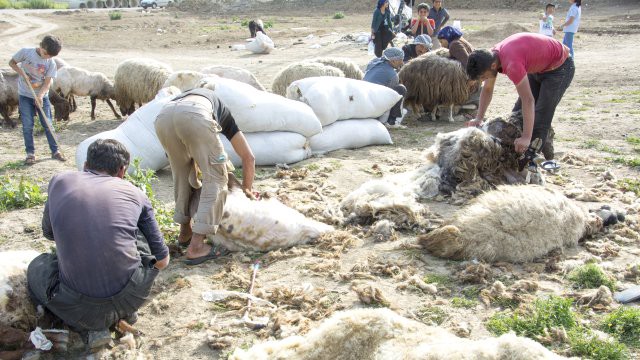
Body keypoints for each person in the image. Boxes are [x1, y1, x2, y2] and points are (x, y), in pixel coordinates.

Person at [27, 139, 170, 350]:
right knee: (135, 232)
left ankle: (90, 328)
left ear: (85, 166)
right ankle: (122, 313)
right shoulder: (136, 193)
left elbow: (49, 234)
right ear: (122, 171)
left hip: (78, 308)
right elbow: (163, 261)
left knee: (37, 266)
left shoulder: (59, 181)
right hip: (132, 296)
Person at [155, 87, 255, 265]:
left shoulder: (188, 95)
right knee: (216, 178)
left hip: (163, 117)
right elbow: (248, 157)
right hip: (194, 114)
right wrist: (246, 191)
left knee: (181, 175)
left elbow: (186, 163)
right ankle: (196, 247)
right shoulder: (222, 110)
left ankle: (185, 233)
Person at [466, 33, 574, 160]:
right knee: (517, 116)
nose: (485, 79)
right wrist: (479, 118)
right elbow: (488, 89)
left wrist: (526, 137)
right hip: (537, 67)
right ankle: (542, 145)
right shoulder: (490, 58)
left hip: (559, 68)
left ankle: (530, 161)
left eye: (484, 77)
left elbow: (528, 100)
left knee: (540, 117)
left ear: (493, 66)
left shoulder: (512, 64)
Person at [9, 35, 66, 165]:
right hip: (25, 95)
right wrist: (22, 73)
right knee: (28, 125)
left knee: (48, 124)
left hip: (42, 96)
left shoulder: (50, 62)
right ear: (41, 46)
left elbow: (47, 83)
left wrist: (40, 96)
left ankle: (55, 151)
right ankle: (30, 153)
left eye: (50, 56)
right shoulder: (25, 52)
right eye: (46, 53)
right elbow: (11, 62)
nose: (47, 57)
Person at [363, 47, 406, 126]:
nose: (402, 63)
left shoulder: (375, 63)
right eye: (400, 60)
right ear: (393, 60)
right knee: (401, 89)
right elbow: (391, 95)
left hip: (363, 98)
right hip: (374, 105)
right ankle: (392, 121)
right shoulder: (392, 75)